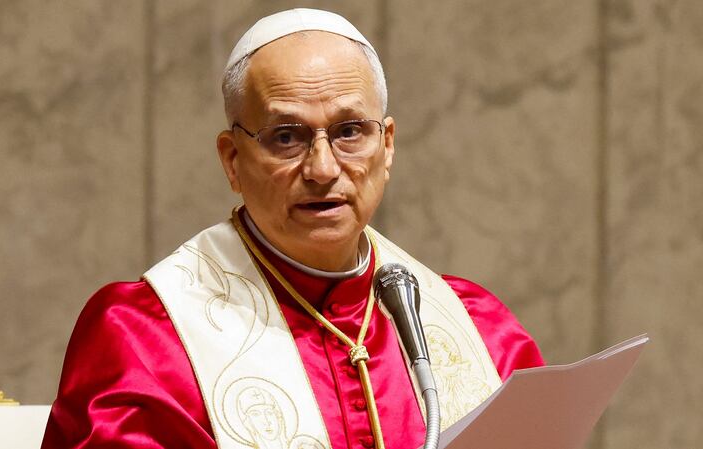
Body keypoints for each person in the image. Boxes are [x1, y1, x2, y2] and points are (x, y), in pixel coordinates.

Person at [41, 8, 544, 449]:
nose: (323, 168)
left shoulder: (482, 332)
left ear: (387, 146)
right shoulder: (145, 339)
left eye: (350, 131)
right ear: (233, 160)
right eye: (287, 137)